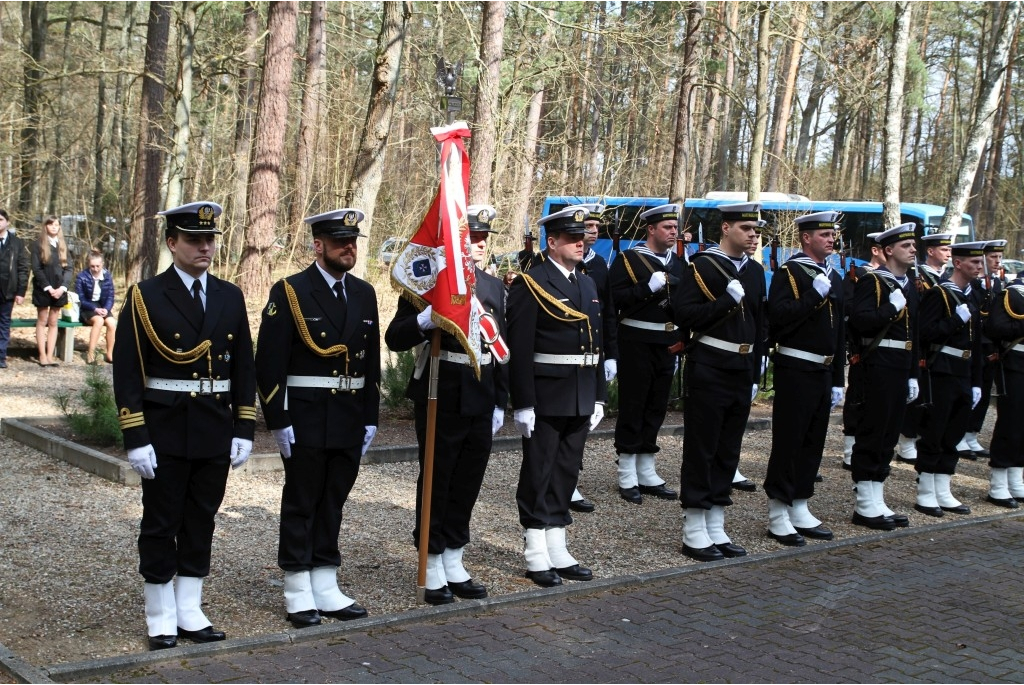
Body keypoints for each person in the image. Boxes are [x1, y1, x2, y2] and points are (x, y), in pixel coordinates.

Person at [112, 201, 256, 651]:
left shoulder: (230, 295)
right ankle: (160, 611)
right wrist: (136, 437)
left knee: (200, 519)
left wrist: (244, 428)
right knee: (161, 521)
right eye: (194, 239)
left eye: (210, 239)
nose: (204, 247)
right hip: (165, 427)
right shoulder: (146, 296)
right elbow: (128, 370)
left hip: (214, 427)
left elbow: (244, 368)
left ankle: (189, 606)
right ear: (172, 243)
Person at [255, 208, 379, 628]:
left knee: (334, 501)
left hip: (347, 415)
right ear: (318, 245)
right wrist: (278, 418)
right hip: (305, 416)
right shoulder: (291, 290)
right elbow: (268, 362)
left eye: (353, 241)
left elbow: (371, 363)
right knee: (302, 502)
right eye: (340, 240)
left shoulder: (363, 293)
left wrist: (371, 415)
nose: (349, 247)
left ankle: (325, 582)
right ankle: (296, 587)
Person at [384, 204, 509, 605]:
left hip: (481, 391)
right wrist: (426, 321)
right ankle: (432, 557)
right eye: (471, 239)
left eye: (484, 240)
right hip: (443, 387)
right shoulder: (430, 285)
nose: (478, 247)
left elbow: (500, 349)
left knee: (469, 478)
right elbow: (394, 338)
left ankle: (455, 556)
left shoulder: (492, 286)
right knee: (438, 478)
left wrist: (501, 402)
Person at [507, 206, 606, 588]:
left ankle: (557, 542)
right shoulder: (532, 283)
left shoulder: (587, 283)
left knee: (567, 468)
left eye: (582, 238)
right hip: (546, 392)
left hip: (580, 390)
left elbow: (596, 342)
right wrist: (525, 403)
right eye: (572, 238)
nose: (581, 243)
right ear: (552, 242)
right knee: (540, 468)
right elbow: (520, 346)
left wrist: (598, 395)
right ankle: (535, 547)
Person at [672, 202, 767, 562]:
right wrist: (726, 302)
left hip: (742, 367)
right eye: (747, 228)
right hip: (710, 364)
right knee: (703, 446)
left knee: (729, 447)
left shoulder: (755, 272)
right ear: (726, 228)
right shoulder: (702, 266)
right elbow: (684, 314)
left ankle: (716, 520)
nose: (754, 235)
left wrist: (757, 366)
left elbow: (760, 324)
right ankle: (694, 526)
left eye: (756, 230)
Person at [763, 212, 845, 546]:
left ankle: (799, 502)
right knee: (790, 440)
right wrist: (813, 295)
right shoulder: (791, 272)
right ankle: (777, 511)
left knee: (813, 441)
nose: (831, 240)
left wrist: (838, 377)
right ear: (806, 238)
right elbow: (778, 319)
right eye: (824, 234)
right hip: (795, 368)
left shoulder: (833, 277)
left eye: (833, 235)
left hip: (823, 370)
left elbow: (840, 333)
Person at [607, 203, 684, 505]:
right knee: (634, 403)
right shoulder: (628, 260)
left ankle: (646, 466)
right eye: (667, 227)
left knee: (656, 405)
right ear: (651, 229)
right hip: (636, 340)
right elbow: (614, 300)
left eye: (675, 227)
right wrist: (645, 288)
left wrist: (680, 341)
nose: (673, 232)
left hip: (666, 343)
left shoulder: (678, 262)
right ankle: (626, 468)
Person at [846, 224, 920, 531]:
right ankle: (865, 503)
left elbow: (914, 335)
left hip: (900, 365)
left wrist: (914, 374)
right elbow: (859, 324)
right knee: (873, 431)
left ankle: (877, 497)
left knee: (889, 434)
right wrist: (890, 308)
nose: (914, 249)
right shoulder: (872, 281)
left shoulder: (910, 284)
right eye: (907, 245)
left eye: (914, 245)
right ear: (888, 250)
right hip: (876, 365)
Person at [913, 241, 985, 517]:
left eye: (980, 263)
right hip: (941, 370)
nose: (979, 267)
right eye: (974, 263)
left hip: (963, 371)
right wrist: (955, 320)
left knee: (954, 432)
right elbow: (925, 333)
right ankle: (926, 491)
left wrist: (977, 381)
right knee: (935, 430)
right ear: (958, 263)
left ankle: (943, 488)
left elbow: (978, 344)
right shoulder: (940, 294)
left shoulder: (973, 294)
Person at [568, 203, 618, 513]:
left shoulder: (599, 265)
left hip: (592, 355)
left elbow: (607, 313)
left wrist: (611, 354)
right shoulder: (546, 264)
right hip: (562, 359)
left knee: (583, 421)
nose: (594, 232)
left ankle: (572, 475)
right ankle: (566, 482)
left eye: (597, 228)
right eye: (588, 227)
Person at [894, 232, 954, 464]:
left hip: (942, 346)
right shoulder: (916, 277)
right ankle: (907, 440)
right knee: (916, 396)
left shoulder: (946, 278)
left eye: (949, 250)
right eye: (944, 249)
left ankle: (923, 438)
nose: (948, 253)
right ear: (931, 251)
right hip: (923, 343)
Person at [957, 239, 1007, 458]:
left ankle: (972, 433)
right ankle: (959, 435)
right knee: (968, 389)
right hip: (976, 343)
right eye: (992, 258)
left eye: (999, 257)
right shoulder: (973, 285)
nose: (997, 261)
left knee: (984, 391)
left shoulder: (997, 284)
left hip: (991, 346)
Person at [841, 232, 886, 470]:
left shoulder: (895, 279)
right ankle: (850, 446)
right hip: (863, 346)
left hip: (885, 351)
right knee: (857, 397)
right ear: (876, 251)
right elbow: (849, 308)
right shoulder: (858, 275)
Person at [984, 272, 1024, 508]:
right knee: (1011, 423)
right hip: (1016, 365)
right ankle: (998, 483)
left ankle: (1016, 479)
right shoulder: (1013, 293)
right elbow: (996, 326)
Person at [30, 216, 73, 366]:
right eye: (51, 224)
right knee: (42, 321)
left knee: (53, 321)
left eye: (57, 225)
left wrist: (62, 288)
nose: (54, 227)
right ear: (45, 226)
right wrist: (48, 287)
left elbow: (69, 268)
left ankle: (50, 355)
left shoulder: (63, 245)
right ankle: (42, 355)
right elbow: (36, 268)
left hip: (60, 289)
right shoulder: (38, 245)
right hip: (43, 288)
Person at [75, 249, 117, 364]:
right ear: (89, 265)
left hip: (102, 306)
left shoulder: (107, 276)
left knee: (112, 323)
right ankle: (91, 353)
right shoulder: (81, 277)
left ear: (102, 264)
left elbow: (110, 296)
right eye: (92, 266)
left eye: (98, 266)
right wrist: (95, 309)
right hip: (87, 307)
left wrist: (106, 309)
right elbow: (81, 298)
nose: (95, 269)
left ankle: (110, 354)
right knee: (98, 321)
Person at [0, 209, 29, 369]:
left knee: (4, 324)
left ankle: (1, 357)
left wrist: (21, 292)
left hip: (8, 291)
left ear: (7, 222)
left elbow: (23, 268)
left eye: (0, 219)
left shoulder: (16, 243)